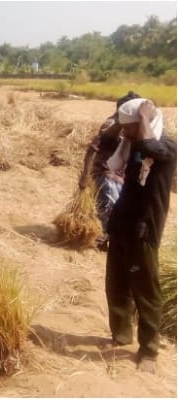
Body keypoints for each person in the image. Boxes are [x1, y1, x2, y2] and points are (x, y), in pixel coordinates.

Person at [104, 98, 176, 374]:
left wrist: (144, 117)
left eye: (129, 127)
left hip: (143, 232)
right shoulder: (133, 147)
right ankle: (121, 336)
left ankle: (149, 351)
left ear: (143, 124)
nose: (124, 133)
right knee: (117, 286)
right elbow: (110, 144)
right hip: (122, 226)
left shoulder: (166, 148)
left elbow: (150, 147)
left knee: (146, 292)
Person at [78, 91, 141, 249]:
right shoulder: (112, 125)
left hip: (120, 176)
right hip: (106, 175)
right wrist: (85, 175)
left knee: (117, 209)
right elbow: (93, 149)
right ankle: (108, 240)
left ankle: (109, 239)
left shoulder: (132, 126)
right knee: (110, 209)